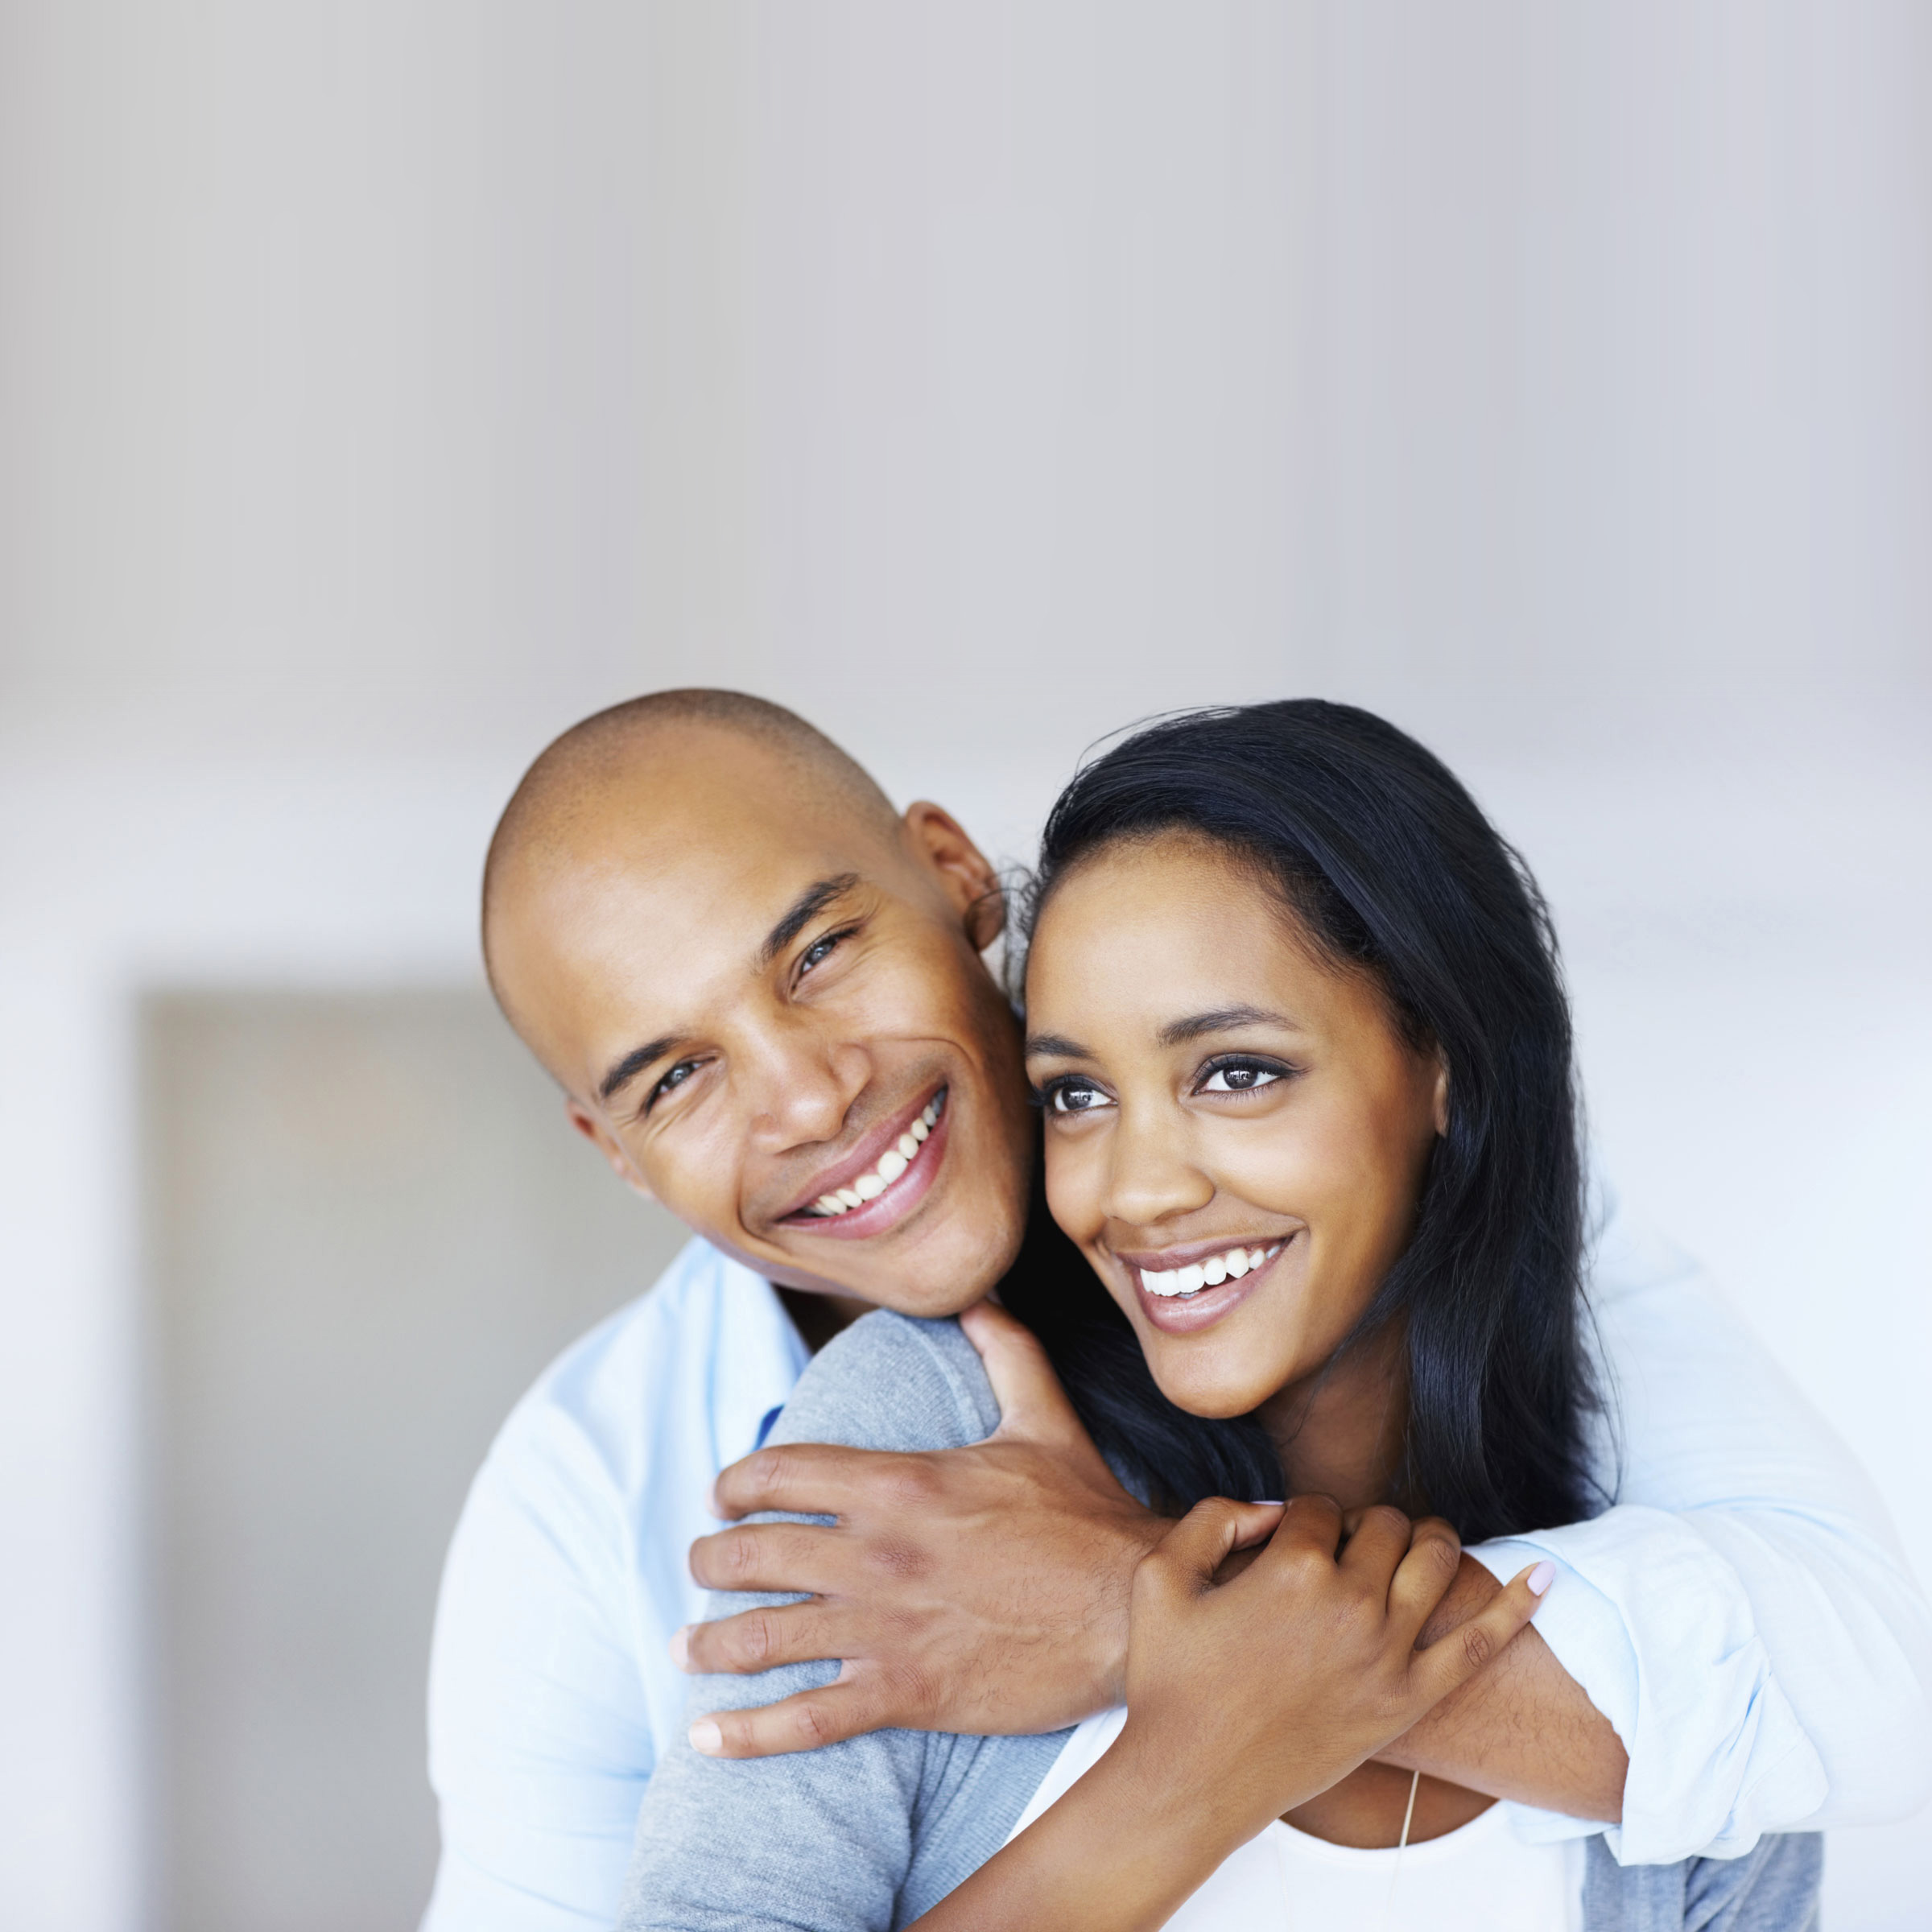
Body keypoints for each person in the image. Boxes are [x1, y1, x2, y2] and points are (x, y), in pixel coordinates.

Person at [424, 691, 1930, 1930]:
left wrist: (1131, 1609)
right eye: (677, 1077)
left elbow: (1845, 1692)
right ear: (608, 1149)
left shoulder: (1569, 1339)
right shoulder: (716, 1473)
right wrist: (1199, 1753)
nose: (809, 1095)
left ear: (954, 884)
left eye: (820, 955)